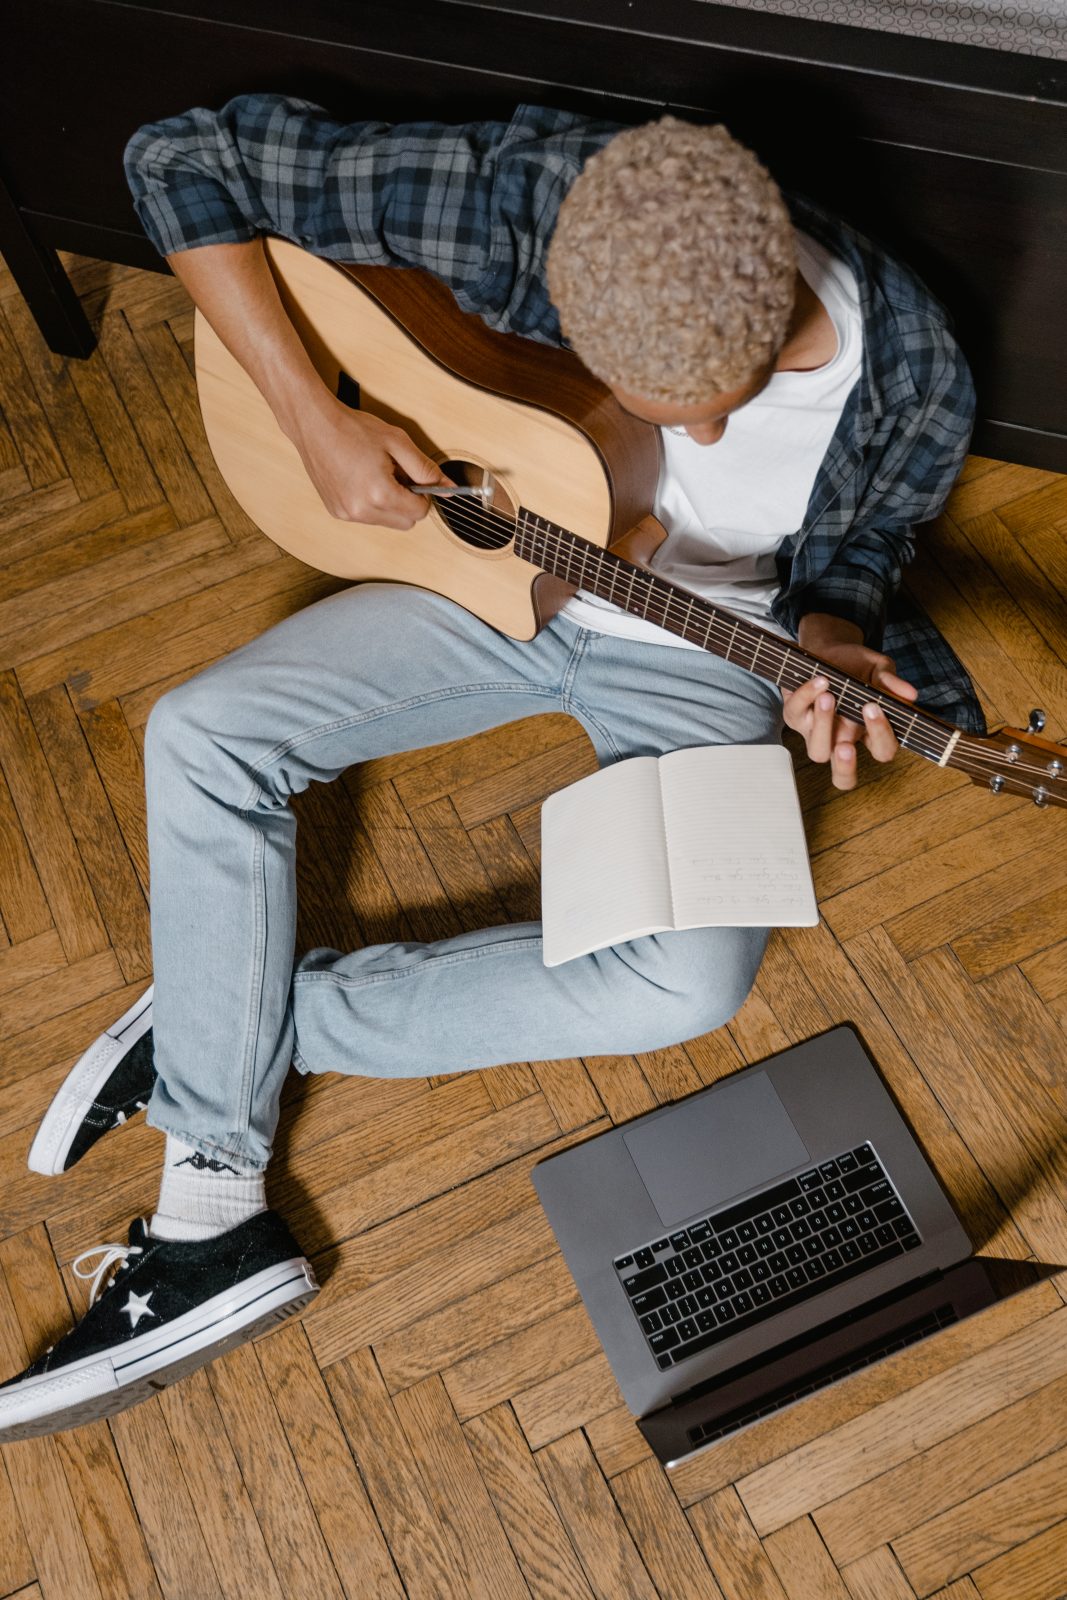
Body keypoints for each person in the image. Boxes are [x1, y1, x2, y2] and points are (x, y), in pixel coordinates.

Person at [0, 95, 981, 1440]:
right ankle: (212, 1205)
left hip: (711, 644)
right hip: (487, 567)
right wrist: (317, 421)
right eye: (642, 410)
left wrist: (830, 637)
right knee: (202, 731)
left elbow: (853, 563)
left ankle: (210, 1025)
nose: (689, 449)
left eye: (713, 413)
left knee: (689, 985)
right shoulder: (527, 192)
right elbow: (177, 157)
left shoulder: (915, 376)